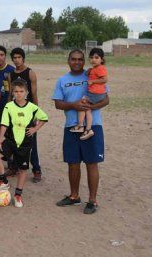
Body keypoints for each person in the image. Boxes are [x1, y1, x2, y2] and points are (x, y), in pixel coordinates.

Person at [53, 49, 109, 215]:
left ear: (84, 61)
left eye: (80, 59)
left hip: (93, 126)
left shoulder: (93, 75)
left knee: (92, 163)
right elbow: (58, 103)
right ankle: (74, 196)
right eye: (73, 59)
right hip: (71, 126)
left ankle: (92, 201)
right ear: (68, 61)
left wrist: (90, 107)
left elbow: (106, 99)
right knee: (73, 163)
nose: (77, 62)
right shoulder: (62, 80)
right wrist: (74, 105)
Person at [0, 79, 48, 208]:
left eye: (21, 91)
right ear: (12, 93)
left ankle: (18, 195)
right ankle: (4, 181)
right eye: (16, 91)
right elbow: (4, 124)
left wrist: (35, 129)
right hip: (10, 140)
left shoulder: (32, 107)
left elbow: (44, 118)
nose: (19, 94)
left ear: (26, 92)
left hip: (25, 143)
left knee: (22, 170)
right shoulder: (9, 106)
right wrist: (0, 141)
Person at [8, 47, 42, 182]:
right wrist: (8, 110)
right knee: (15, 141)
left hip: (28, 113)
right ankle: (15, 167)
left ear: (23, 58)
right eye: (14, 58)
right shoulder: (11, 74)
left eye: (19, 57)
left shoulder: (30, 73)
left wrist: (36, 113)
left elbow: (34, 94)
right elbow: (11, 94)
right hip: (15, 112)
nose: (16, 60)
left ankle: (36, 170)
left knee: (31, 143)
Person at [72, 48, 108, 140]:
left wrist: (92, 81)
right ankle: (88, 130)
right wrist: (89, 72)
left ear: (102, 59)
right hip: (95, 94)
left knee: (82, 104)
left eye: (96, 57)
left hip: (96, 94)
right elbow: (93, 74)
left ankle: (80, 126)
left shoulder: (100, 68)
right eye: (91, 57)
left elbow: (105, 79)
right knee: (87, 109)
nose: (93, 60)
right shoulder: (95, 68)